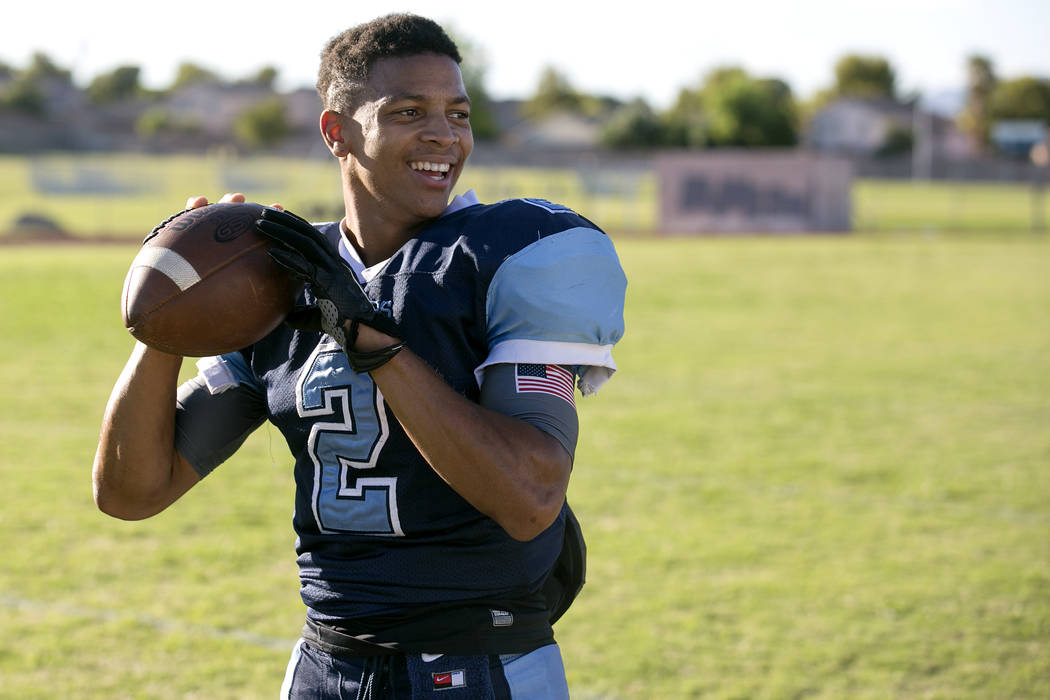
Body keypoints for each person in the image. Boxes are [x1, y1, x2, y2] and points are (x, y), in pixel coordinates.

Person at [93, 13, 626, 699]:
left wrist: (373, 343)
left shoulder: (508, 254)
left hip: (481, 659)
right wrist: (169, 320)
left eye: (457, 114)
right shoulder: (280, 276)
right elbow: (131, 493)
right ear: (337, 132)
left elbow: (531, 497)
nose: (444, 134)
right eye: (409, 112)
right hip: (327, 661)